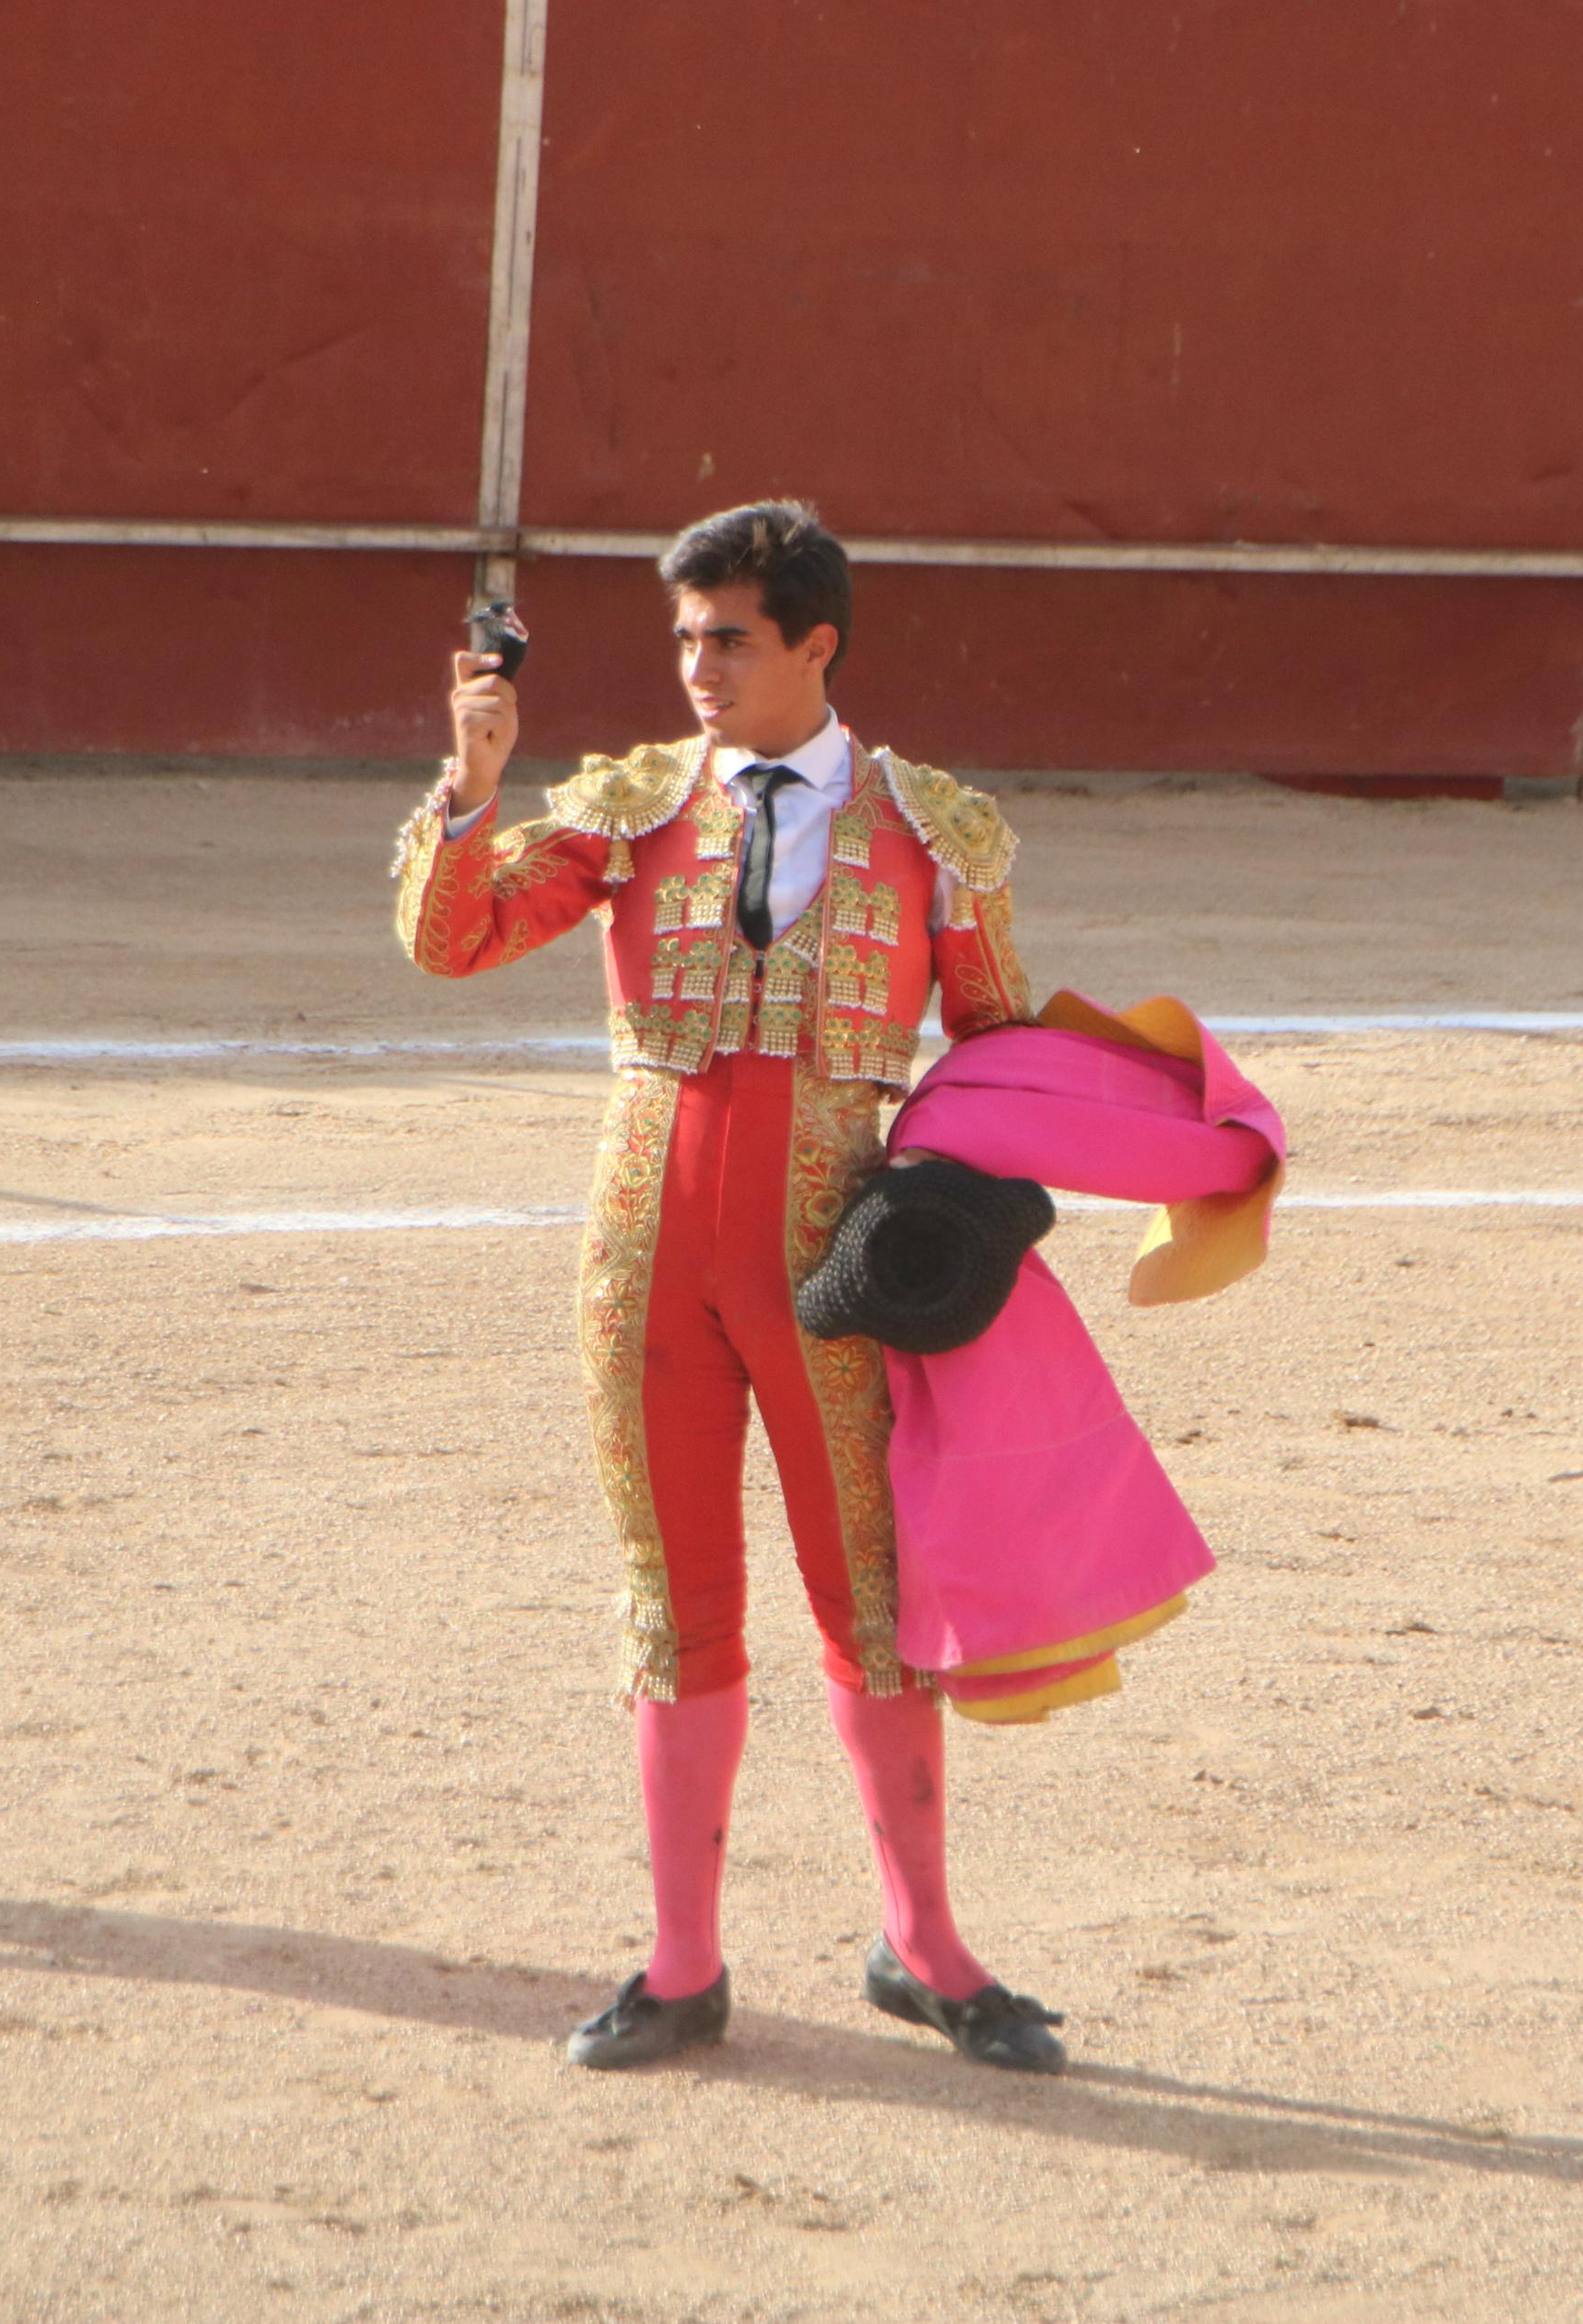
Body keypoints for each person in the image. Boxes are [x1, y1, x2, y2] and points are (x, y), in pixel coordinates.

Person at [389, 501, 1070, 2075]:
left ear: (814, 645)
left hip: (832, 1274)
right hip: (646, 1258)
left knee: (873, 1610)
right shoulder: (629, 810)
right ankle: (683, 1964)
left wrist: (978, 1209)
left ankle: (925, 1947)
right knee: (674, 1597)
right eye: (684, 636)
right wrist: (472, 787)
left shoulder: (929, 832)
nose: (697, 666)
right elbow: (455, 940)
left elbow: (1001, 1044)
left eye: (730, 639)